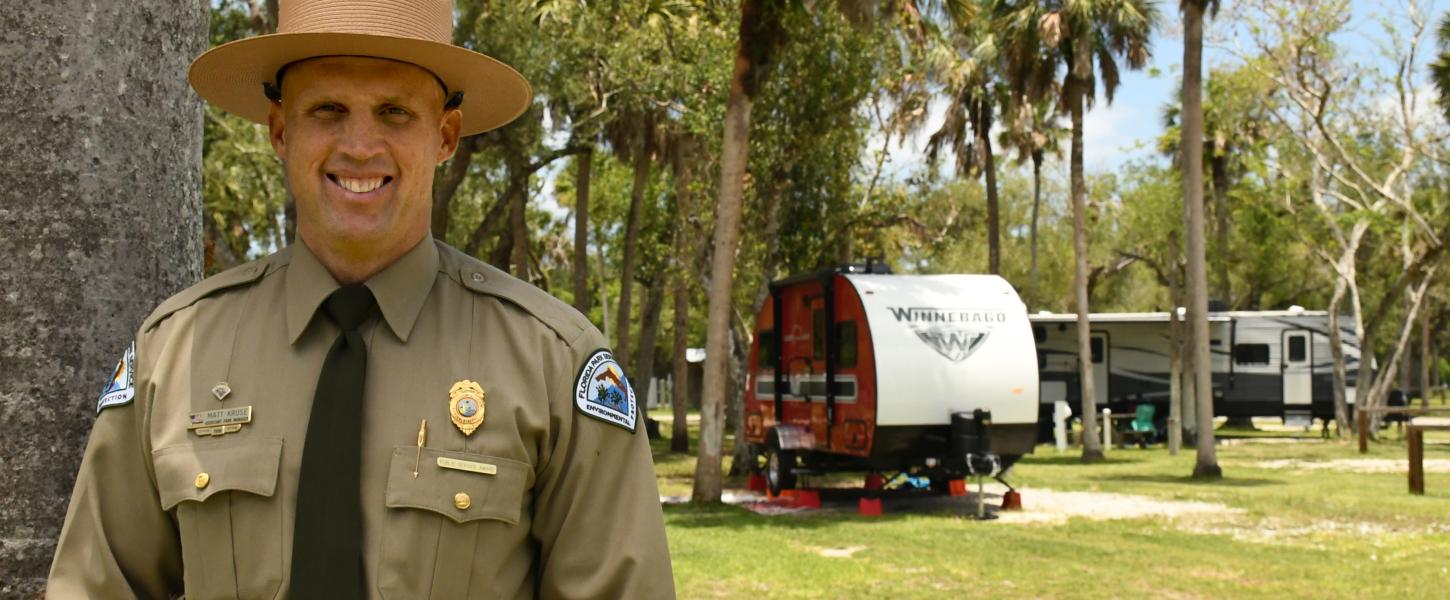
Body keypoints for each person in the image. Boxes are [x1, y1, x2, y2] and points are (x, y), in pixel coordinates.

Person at [46, 0, 675, 597]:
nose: (359, 146)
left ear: (447, 135)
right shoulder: (175, 354)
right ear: (279, 130)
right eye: (326, 110)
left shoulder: (551, 364)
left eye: (396, 112)